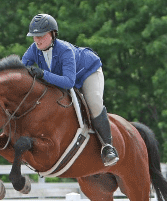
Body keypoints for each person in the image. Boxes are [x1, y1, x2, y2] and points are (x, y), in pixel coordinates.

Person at [21, 13, 119, 166]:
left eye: (41, 36)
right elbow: (22, 68)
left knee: (94, 104)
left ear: (53, 34)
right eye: (34, 36)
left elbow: (68, 82)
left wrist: (43, 74)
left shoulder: (65, 50)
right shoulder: (34, 49)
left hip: (87, 73)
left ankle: (108, 147)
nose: (37, 40)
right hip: (65, 77)